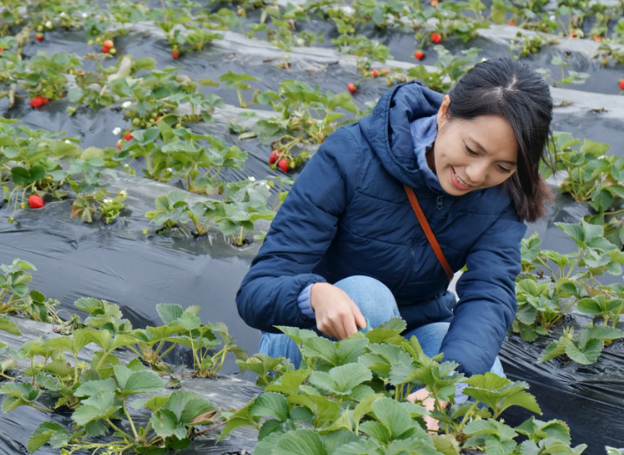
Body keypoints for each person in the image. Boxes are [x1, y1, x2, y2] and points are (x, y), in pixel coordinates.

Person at [235, 58, 553, 419]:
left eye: (503, 166)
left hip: (412, 331)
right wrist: (312, 295)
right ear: (445, 112)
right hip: (311, 336)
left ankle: (404, 439)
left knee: (481, 383)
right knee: (368, 297)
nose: (477, 174)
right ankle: (348, 426)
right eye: (472, 150)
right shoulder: (350, 156)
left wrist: (446, 382)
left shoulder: (501, 197)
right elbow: (255, 292)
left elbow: (490, 294)